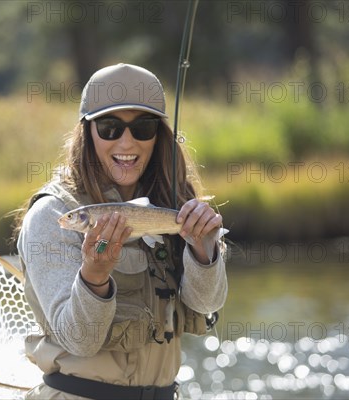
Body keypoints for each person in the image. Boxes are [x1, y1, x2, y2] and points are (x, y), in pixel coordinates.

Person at [15, 63, 227, 399]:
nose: (127, 141)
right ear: (88, 132)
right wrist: (94, 277)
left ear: (158, 135)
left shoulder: (172, 205)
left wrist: (204, 252)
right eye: (110, 127)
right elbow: (80, 339)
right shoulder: (51, 215)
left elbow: (207, 304)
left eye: (143, 127)